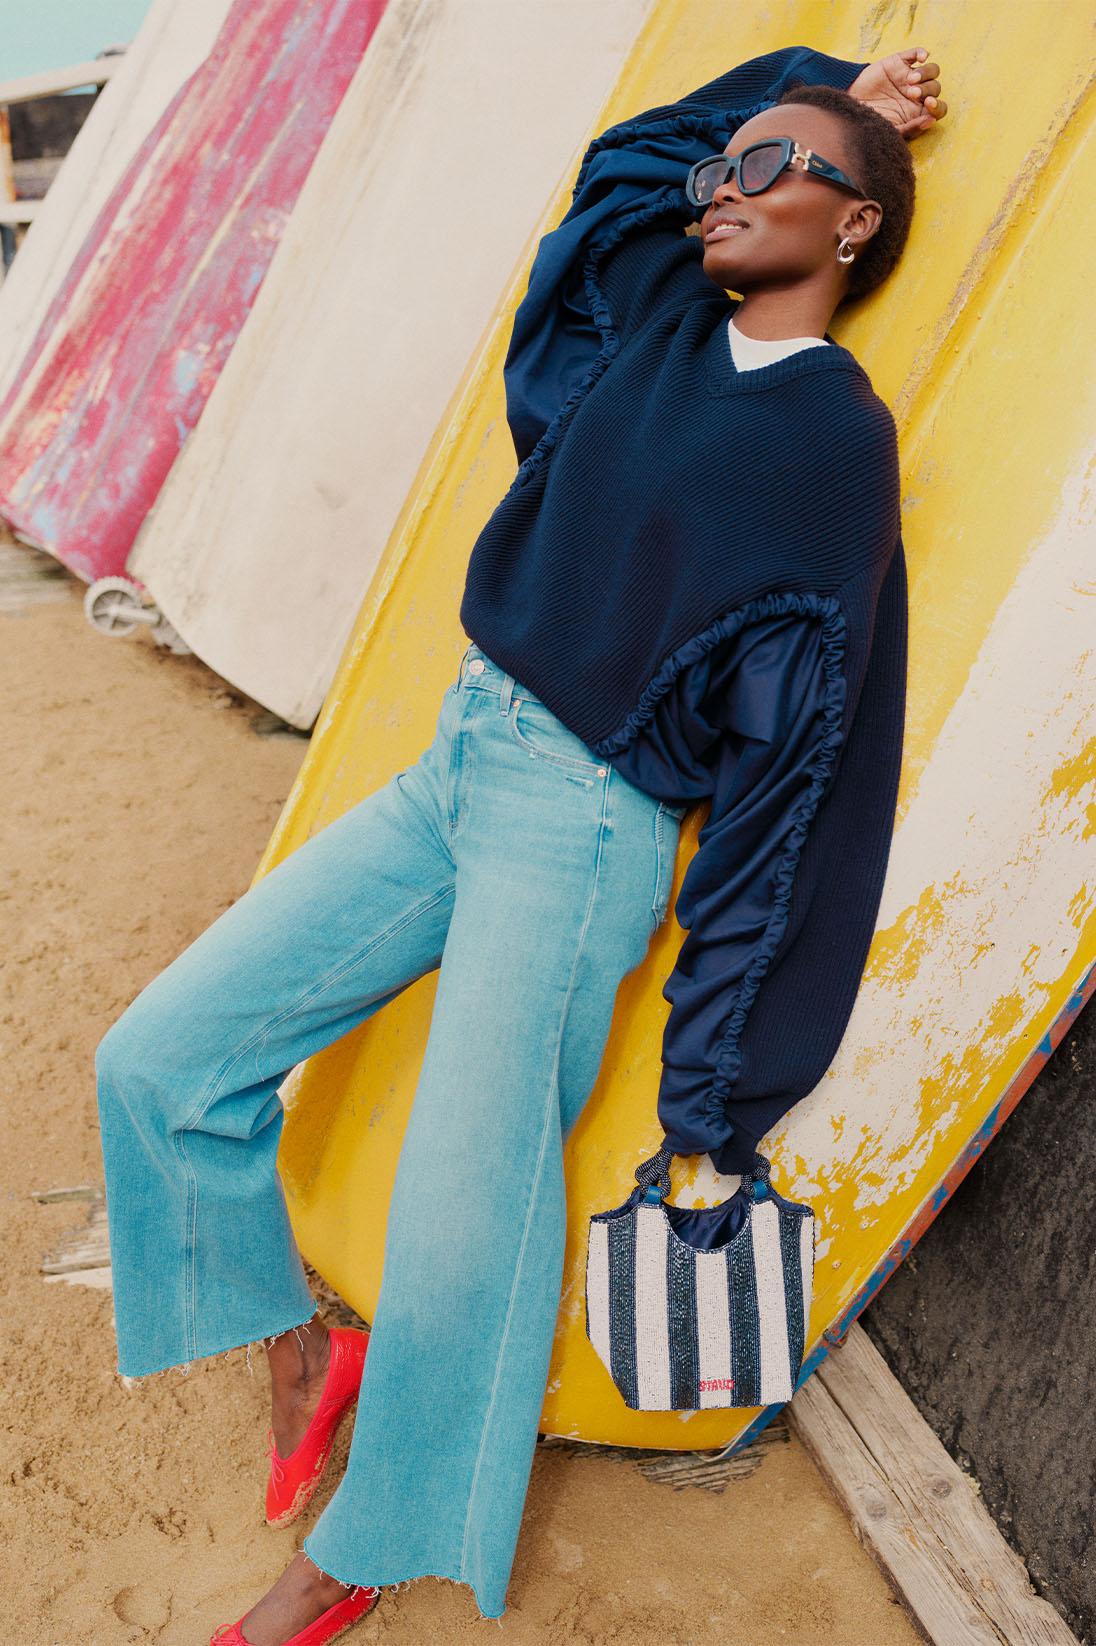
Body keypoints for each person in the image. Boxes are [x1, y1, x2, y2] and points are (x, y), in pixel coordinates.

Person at [94, 41, 946, 1646]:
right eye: (731, 165)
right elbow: (629, 165)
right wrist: (823, 87)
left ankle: (366, 1542)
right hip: (461, 758)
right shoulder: (654, 325)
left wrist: (716, 1079)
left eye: (775, 173)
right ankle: (293, 1333)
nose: (726, 191)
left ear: (855, 229)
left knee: (468, 1195)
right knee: (161, 1057)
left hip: (586, 824)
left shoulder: (837, 443)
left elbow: (800, 756)